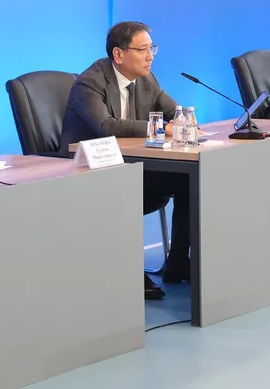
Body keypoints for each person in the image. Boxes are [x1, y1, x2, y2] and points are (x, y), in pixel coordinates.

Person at [59, 22, 191, 301]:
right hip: (89, 172)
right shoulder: (90, 83)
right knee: (125, 189)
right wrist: (158, 128)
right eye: (142, 50)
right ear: (118, 54)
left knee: (189, 181)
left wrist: (184, 120)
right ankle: (129, 272)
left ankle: (178, 262)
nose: (150, 56)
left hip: (130, 166)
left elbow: (174, 111)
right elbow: (105, 126)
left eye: (152, 48)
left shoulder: (147, 79)